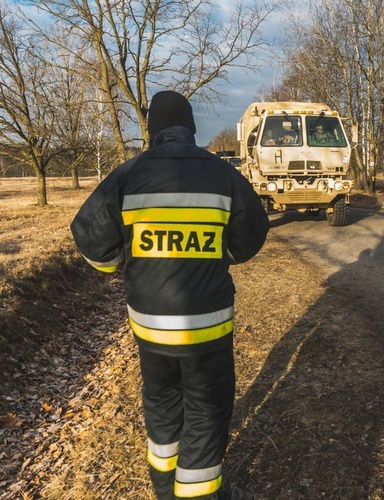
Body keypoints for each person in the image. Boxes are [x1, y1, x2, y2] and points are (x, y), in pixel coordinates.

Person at [70, 90, 270, 500]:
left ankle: (166, 491)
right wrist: (220, 254)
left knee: (162, 407)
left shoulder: (127, 175)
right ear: (191, 128)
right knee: (206, 409)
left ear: (153, 129)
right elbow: (252, 234)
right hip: (207, 328)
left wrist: (121, 263)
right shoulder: (223, 174)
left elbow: (91, 242)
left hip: (150, 328)